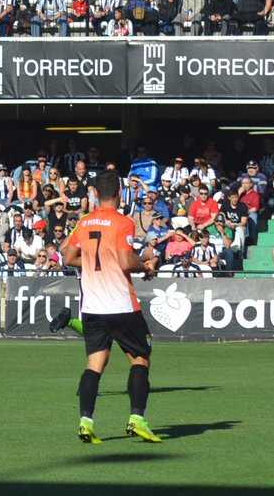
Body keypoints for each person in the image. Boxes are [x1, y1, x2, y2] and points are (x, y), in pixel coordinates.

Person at [60, 170, 161, 444]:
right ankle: (137, 419)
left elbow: (67, 255)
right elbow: (127, 261)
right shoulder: (123, 222)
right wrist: (146, 267)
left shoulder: (84, 222)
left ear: (95, 193)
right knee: (140, 359)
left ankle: (85, 422)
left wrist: (95, 261)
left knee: (95, 364)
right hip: (121, 304)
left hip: (92, 306)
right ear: (118, 193)